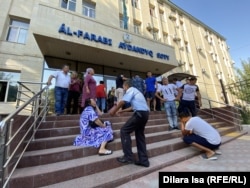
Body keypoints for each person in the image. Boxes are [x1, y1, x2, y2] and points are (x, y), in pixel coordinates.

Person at [109, 79, 150, 167]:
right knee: (140, 136)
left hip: (139, 114)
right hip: (145, 114)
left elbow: (123, 101)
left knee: (124, 131)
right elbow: (132, 107)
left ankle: (128, 157)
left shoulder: (131, 90)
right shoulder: (138, 92)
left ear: (126, 86)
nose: (123, 89)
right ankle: (144, 161)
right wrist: (122, 111)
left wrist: (114, 111)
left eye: (124, 87)